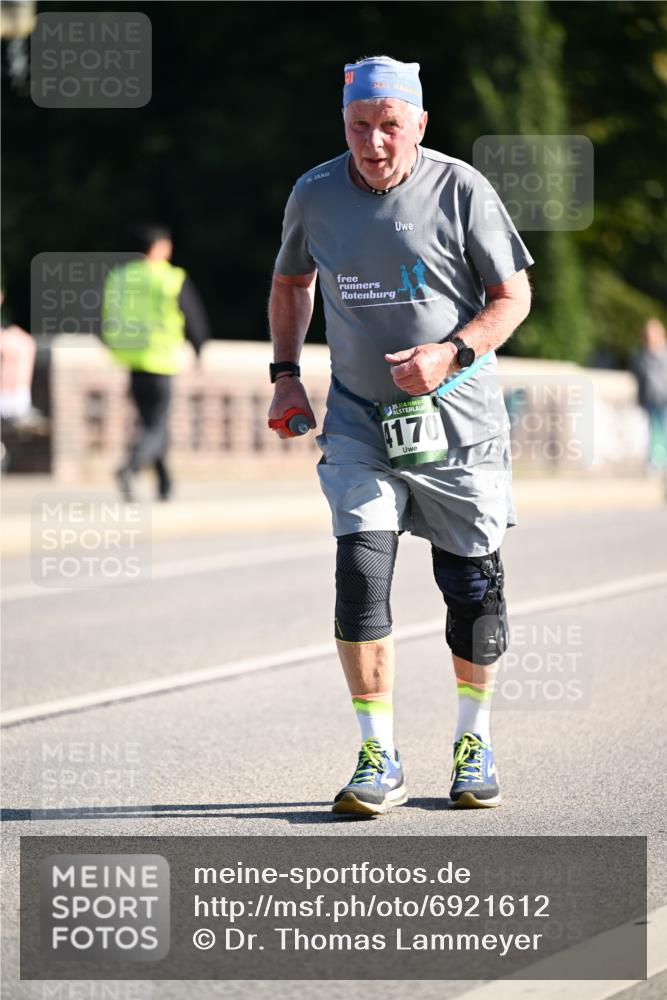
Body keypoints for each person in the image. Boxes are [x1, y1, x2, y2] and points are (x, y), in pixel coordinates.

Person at [268, 56, 533, 816]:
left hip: (457, 421)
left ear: (418, 123)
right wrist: (285, 373)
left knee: (472, 588)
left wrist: (450, 353)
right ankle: (377, 755)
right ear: (342, 123)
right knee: (359, 571)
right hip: (358, 416)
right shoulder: (315, 193)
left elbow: (510, 296)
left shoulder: (460, 189)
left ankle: (472, 739)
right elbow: (292, 283)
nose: (374, 143)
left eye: (390, 126)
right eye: (359, 126)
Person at [102, 224, 210, 501]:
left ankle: (164, 483)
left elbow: (102, 318)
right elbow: (193, 316)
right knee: (156, 425)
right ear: (159, 247)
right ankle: (131, 466)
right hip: (162, 360)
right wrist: (199, 349)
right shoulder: (170, 277)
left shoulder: (120, 277)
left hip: (132, 360)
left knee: (151, 422)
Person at [632, 318, 667, 473]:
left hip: (664, 397)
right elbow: (640, 380)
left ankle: (660, 458)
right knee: (654, 428)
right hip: (651, 399)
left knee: (663, 428)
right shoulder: (642, 357)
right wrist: (640, 398)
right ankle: (655, 459)